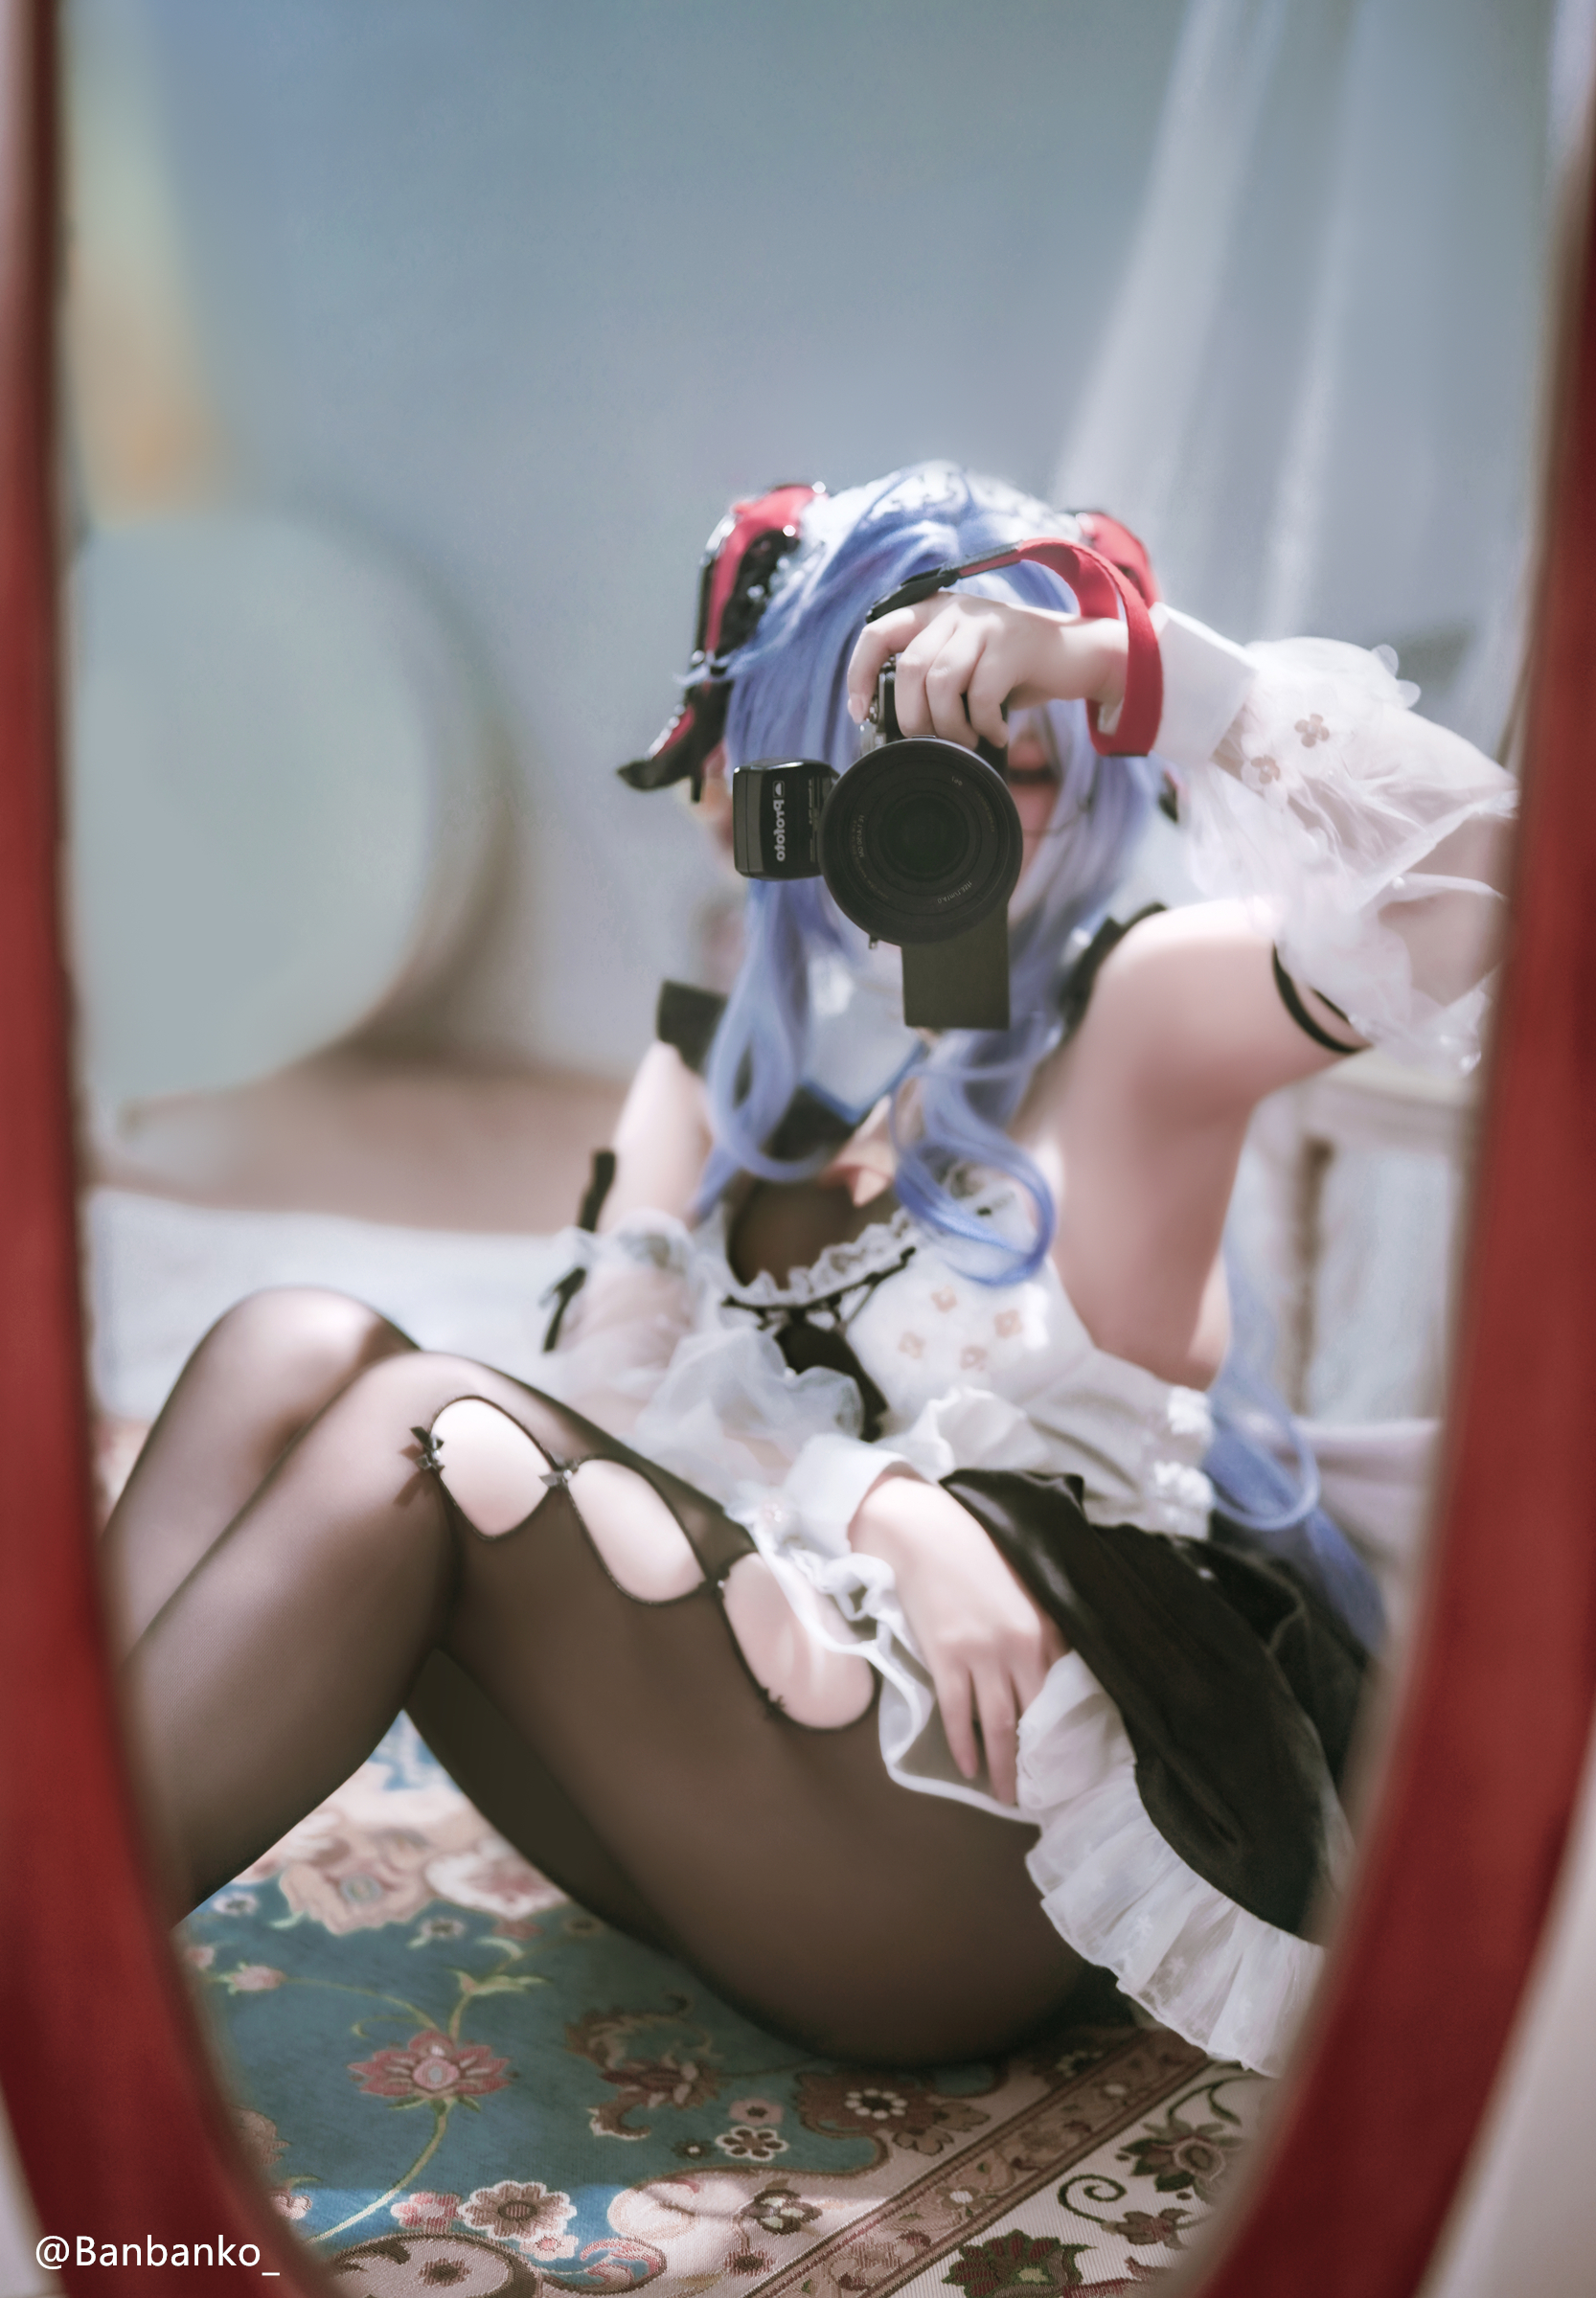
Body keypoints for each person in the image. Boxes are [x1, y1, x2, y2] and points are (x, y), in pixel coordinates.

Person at [101, 465, 1515, 2081]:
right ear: (783, 786)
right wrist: (876, 1501)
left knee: (426, 1424)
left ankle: (50, 1926)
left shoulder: (1138, 1021)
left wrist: (1122, 663)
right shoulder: (724, 1065)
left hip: (959, 1856)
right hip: (724, 1788)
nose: (959, 809)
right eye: (892, 761)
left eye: (1018, 760)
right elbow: (610, 1403)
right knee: (295, 1339)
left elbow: (1501, 889)